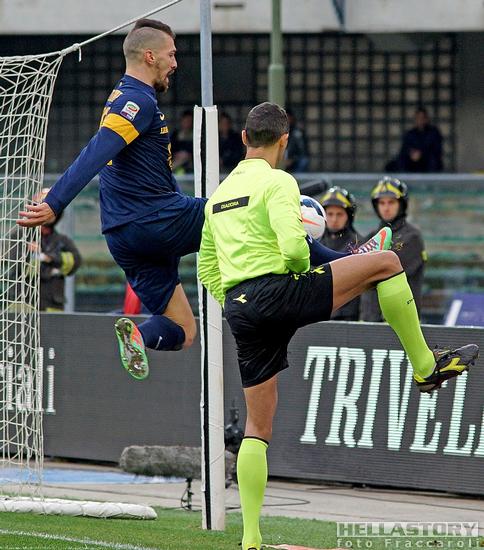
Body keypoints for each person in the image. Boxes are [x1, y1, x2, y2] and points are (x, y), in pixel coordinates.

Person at [16, 18, 388, 381]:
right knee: (251, 214)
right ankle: (349, 259)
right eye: (171, 54)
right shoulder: (136, 101)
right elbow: (98, 150)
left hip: (122, 235)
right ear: (149, 56)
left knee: (183, 328)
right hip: (153, 219)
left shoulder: (121, 95)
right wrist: (56, 200)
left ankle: (139, 336)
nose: (175, 63)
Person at [197, 102, 478, 550]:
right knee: (386, 263)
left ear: (245, 139)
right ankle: (425, 365)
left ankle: (250, 539)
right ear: (284, 141)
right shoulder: (279, 182)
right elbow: (295, 250)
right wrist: (299, 276)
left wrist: (238, 304)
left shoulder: (216, 197)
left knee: (257, 427)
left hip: (240, 307)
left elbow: (206, 268)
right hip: (277, 289)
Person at [360, 177, 427, 322]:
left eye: (391, 202)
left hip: (400, 320)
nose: (386, 207)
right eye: (382, 203)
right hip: (368, 320)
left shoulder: (412, 237)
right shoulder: (370, 237)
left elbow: (385, 273)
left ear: (401, 204)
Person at [319, 186, 363, 321]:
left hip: (348, 317)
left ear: (348, 216)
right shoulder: (314, 242)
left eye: (339, 214)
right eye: (330, 214)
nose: (334, 219)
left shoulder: (359, 244)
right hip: (317, 315)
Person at [388, 107, 443, 172]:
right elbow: (404, 150)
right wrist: (411, 153)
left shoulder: (433, 133)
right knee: (394, 164)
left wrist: (421, 154)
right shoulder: (410, 134)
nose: (420, 120)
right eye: (418, 118)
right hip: (412, 162)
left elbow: (437, 150)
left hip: (427, 161)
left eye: (422, 118)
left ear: (426, 119)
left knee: (433, 161)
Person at [283, 108, 309, 173]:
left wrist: (292, 159)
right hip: (283, 159)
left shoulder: (297, 132)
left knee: (303, 161)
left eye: (288, 117)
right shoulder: (280, 131)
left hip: (294, 160)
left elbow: (302, 151)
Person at [170, 109, 194, 173]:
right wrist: (176, 154)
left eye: (189, 121)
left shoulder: (195, 135)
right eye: (185, 121)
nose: (187, 124)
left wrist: (188, 155)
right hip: (175, 160)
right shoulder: (175, 134)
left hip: (190, 164)